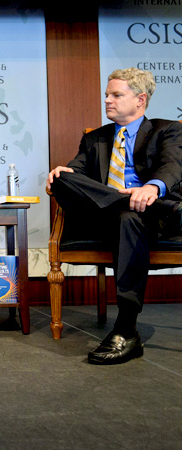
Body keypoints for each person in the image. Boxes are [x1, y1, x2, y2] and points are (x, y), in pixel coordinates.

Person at [47, 68, 182, 365]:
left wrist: (151, 187)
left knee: (129, 218)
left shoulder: (167, 129)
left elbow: (172, 167)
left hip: (147, 217)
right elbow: (76, 172)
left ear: (140, 99)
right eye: (107, 94)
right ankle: (128, 198)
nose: (107, 100)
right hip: (104, 216)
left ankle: (126, 328)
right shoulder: (95, 138)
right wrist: (64, 173)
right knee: (61, 179)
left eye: (116, 95)